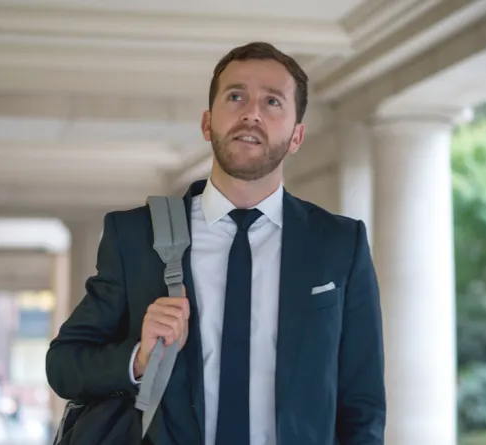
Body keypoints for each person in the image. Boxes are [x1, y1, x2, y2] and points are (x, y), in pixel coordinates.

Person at [46, 41, 386, 445]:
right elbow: (64, 365)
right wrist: (138, 357)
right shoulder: (137, 236)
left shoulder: (339, 243)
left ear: (297, 136)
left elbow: (362, 404)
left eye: (273, 101)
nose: (251, 113)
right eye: (236, 96)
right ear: (207, 123)